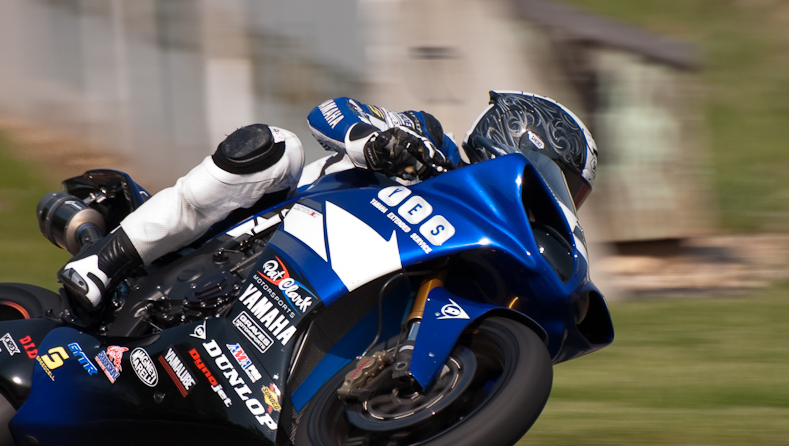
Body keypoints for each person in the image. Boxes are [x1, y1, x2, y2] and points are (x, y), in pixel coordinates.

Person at [52, 91, 597, 313]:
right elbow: (331, 112)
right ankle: (102, 263)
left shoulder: (479, 239)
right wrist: (379, 142)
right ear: (519, 143)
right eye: (560, 183)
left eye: (573, 199)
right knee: (275, 145)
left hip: (318, 294)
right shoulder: (426, 139)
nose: (559, 201)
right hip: (262, 231)